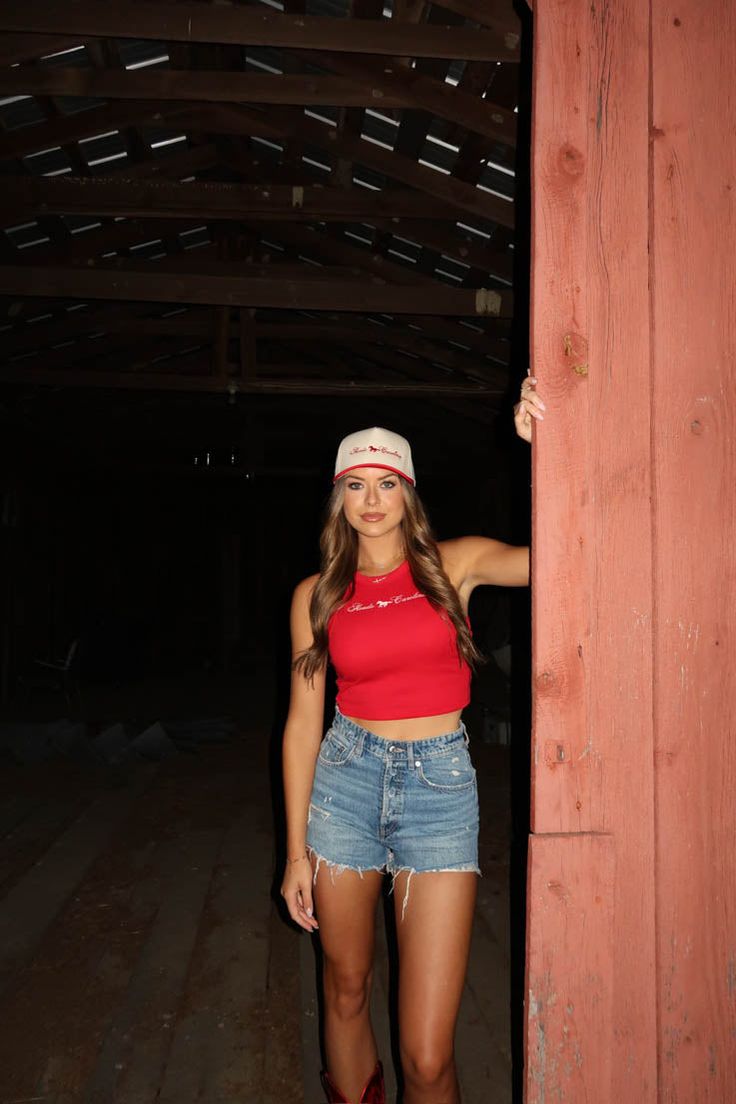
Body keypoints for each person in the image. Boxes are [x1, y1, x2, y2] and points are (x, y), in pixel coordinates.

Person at [281, 379, 544, 1104]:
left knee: (427, 1057)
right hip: (345, 782)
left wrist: (540, 451)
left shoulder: (453, 565)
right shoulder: (316, 595)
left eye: (387, 482)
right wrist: (295, 851)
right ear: (339, 498)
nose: (371, 499)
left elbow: (558, 553)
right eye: (356, 484)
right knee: (345, 987)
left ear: (409, 493)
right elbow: (303, 723)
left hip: (439, 791)